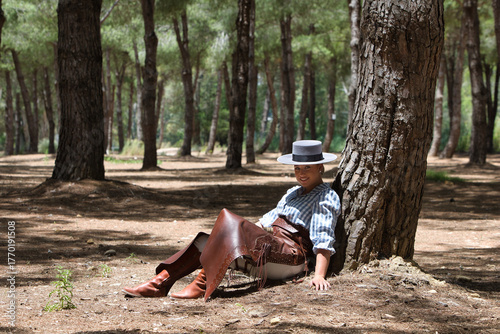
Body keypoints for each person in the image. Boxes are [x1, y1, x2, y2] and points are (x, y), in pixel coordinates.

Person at [122, 140, 340, 301]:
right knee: (205, 242)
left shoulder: (325, 196)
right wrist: (242, 235)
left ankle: (202, 283)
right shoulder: (293, 192)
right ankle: (159, 283)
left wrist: (319, 275)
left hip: (292, 259)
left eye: (307, 168)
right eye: (297, 168)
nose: (301, 173)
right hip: (270, 248)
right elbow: (265, 222)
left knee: (229, 220)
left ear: (320, 167)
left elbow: (323, 238)